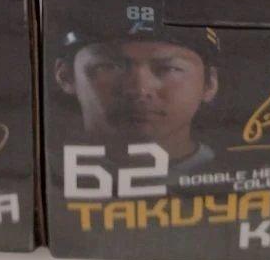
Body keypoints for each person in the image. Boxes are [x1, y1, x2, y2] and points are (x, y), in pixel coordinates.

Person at [54, 19, 219, 173]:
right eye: (109, 66)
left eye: (169, 69)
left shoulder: (231, 169)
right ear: (65, 76)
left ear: (209, 83)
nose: (140, 89)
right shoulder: (48, 170)